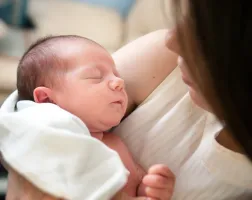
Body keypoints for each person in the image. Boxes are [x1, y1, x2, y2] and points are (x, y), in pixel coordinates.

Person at [2, 0, 252, 198]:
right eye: (97, 76)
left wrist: (150, 190)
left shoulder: (115, 147)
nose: (171, 39)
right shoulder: (162, 60)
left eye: (203, 31)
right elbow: (29, 108)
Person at [1, 35, 174, 200]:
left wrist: (151, 187)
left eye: (117, 75)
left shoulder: (116, 143)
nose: (119, 82)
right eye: (96, 77)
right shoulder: (51, 145)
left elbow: (135, 184)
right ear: (47, 100)